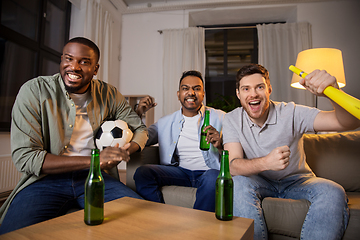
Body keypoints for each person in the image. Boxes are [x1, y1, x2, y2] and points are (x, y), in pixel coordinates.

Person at [0, 37, 147, 234]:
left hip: (96, 178)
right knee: (13, 233)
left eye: (84, 62)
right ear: (61, 60)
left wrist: (128, 149)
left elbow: (140, 129)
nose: (74, 67)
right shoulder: (34, 90)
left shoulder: (109, 94)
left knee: (144, 221)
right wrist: (95, 159)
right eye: (68, 59)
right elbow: (26, 158)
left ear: (95, 69)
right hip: (45, 180)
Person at [222, 63, 360, 240]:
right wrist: (266, 162)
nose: (253, 94)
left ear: (269, 89)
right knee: (238, 184)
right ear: (238, 94)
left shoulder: (291, 112)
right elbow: (232, 166)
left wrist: (332, 92)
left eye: (259, 87)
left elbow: (348, 122)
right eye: (246, 89)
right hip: (258, 181)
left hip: (298, 181)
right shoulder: (232, 119)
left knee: (334, 191)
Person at [133, 70, 225, 212]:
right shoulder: (165, 122)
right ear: (178, 94)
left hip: (208, 172)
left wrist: (220, 146)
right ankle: (156, 216)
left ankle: (200, 226)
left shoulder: (221, 118)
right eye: (185, 88)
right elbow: (142, 138)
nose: (191, 93)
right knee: (142, 172)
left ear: (203, 94)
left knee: (214, 176)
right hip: (179, 172)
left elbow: (235, 151)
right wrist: (139, 113)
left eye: (196, 88)